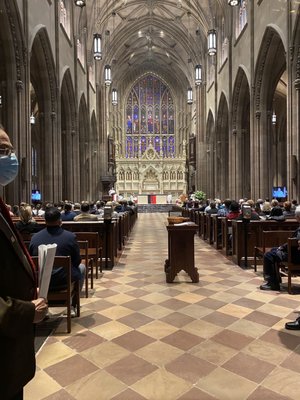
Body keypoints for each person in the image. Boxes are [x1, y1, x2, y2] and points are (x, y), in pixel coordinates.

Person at [0, 125, 48, 400]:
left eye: (10, 151)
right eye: (3, 151)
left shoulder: (3, 206)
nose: (10, 159)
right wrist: (26, 310)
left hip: (8, 357)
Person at [29, 207, 85, 301]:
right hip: (63, 281)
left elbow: (31, 261)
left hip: (41, 281)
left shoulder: (35, 238)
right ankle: (73, 304)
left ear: (45, 221)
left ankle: (41, 303)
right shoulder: (70, 237)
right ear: (60, 221)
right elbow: (77, 260)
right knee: (82, 267)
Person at [260, 205, 300, 291]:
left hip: (296, 257)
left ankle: (272, 283)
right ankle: (276, 279)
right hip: (295, 253)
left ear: (298, 217)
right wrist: (281, 247)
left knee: (268, 255)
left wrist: (282, 248)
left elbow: (294, 243)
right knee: (274, 250)